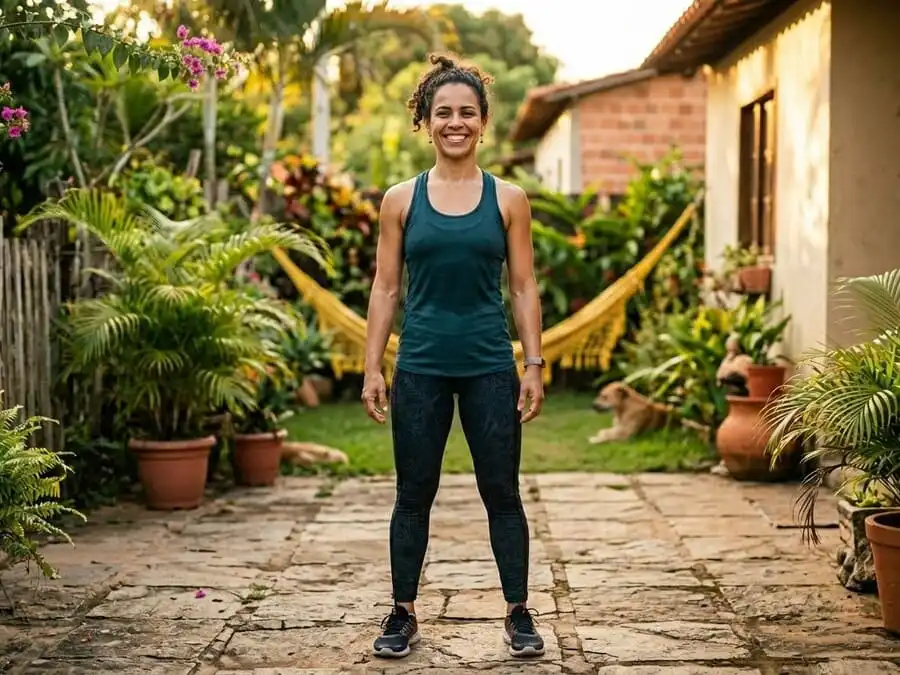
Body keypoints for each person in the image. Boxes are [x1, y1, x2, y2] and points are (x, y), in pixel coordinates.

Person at [361, 53, 546, 660]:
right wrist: (372, 366)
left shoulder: (509, 199)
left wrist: (533, 365)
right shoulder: (400, 200)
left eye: (467, 112)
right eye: (443, 112)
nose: (456, 122)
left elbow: (522, 287)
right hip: (420, 369)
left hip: (491, 366)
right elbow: (386, 288)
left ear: (483, 121)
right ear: (425, 120)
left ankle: (518, 612)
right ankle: (402, 612)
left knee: (502, 490)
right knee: (414, 492)